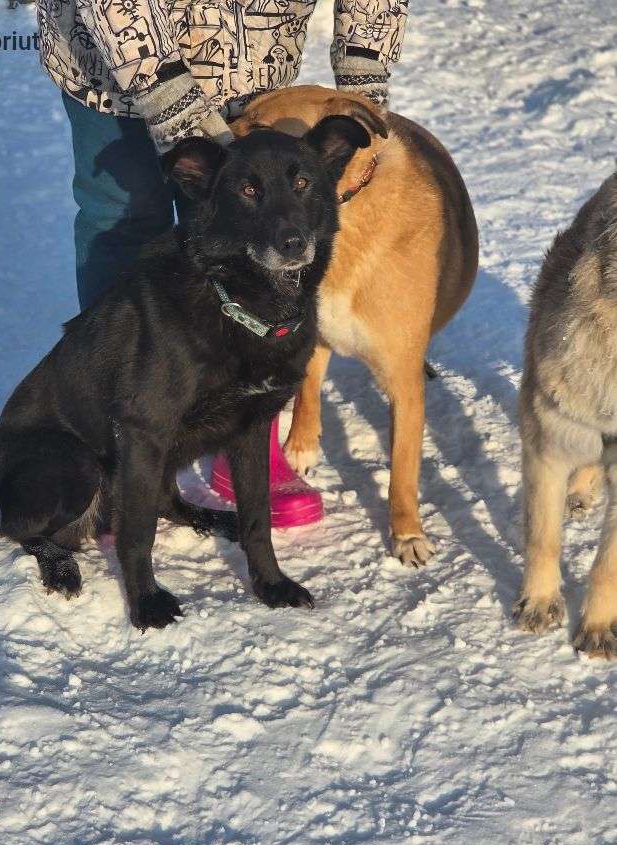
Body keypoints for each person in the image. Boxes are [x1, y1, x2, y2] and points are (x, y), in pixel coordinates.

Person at [34, 0, 409, 526]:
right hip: (113, 60)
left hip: (249, 59)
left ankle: (245, 433)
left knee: (248, 237)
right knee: (123, 218)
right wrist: (167, 98)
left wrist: (363, 74)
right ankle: (118, 442)